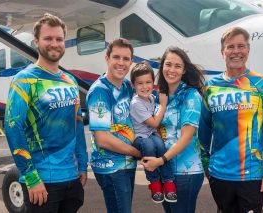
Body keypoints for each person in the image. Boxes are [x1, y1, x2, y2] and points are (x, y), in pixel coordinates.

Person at [4, 13, 88, 212]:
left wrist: (83, 165)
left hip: (72, 177)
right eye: (48, 38)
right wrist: (31, 178)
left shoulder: (70, 81)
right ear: (36, 41)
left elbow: (77, 125)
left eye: (59, 39)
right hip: (41, 180)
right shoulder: (23, 80)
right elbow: (12, 127)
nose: (54, 43)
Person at [198, 27, 263, 213]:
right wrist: (207, 165)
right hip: (218, 175)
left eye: (241, 46)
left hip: (251, 176)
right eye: (230, 47)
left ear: (248, 50)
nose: (236, 51)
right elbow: (203, 131)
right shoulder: (210, 87)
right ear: (223, 52)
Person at [141, 46, 205, 213]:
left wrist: (160, 160)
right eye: (168, 64)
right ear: (162, 67)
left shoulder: (190, 96)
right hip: (165, 172)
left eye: (178, 66)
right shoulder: (160, 97)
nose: (171, 70)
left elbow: (187, 137)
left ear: (184, 70)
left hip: (185, 172)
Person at [86, 38, 141, 213]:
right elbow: (103, 139)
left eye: (126, 59)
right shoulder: (100, 92)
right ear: (107, 59)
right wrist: (136, 152)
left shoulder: (126, 85)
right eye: (116, 57)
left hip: (125, 162)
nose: (121, 63)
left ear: (131, 62)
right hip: (111, 166)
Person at [129, 61, 177, 204]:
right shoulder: (136, 103)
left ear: (153, 82)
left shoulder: (151, 98)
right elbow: (155, 123)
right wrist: (163, 104)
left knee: (161, 146)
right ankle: (155, 184)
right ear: (133, 85)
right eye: (140, 83)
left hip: (151, 134)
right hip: (140, 137)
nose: (145, 87)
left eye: (148, 82)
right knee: (149, 147)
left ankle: (168, 182)